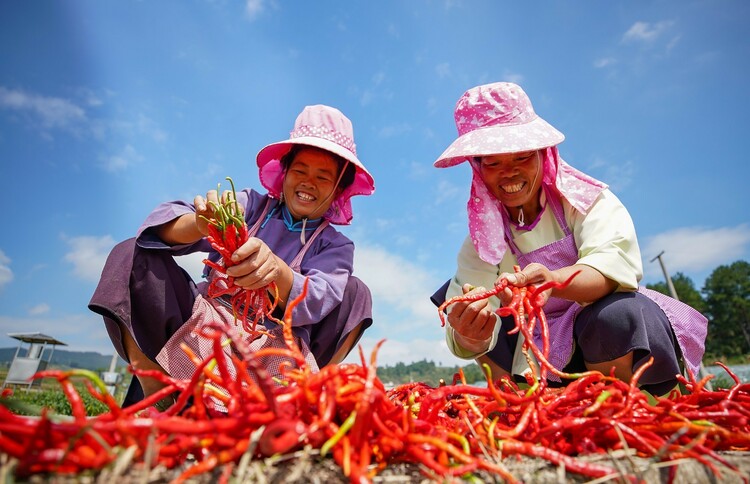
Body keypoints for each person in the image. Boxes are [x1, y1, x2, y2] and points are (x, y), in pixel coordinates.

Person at [89, 104, 375, 407]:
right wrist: (201, 223)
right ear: (285, 172)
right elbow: (161, 228)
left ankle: (308, 397)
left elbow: (320, 297)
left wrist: (276, 271)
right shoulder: (250, 206)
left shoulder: (335, 245)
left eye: (323, 177)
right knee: (133, 253)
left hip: (279, 348)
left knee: (357, 294)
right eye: (300, 170)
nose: (308, 183)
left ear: (339, 188)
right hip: (205, 328)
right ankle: (159, 394)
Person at [431, 82, 707, 396]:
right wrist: (469, 333)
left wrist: (553, 281)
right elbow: (470, 317)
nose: (508, 173)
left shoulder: (585, 201)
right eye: (492, 162)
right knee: (457, 299)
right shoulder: (482, 239)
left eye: (521, 157)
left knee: (617, 313)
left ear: (541, 154)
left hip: (603, 340)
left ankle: (621, 402)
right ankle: (514, 396)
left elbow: (611, 266)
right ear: (477, 168)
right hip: (536, 352)